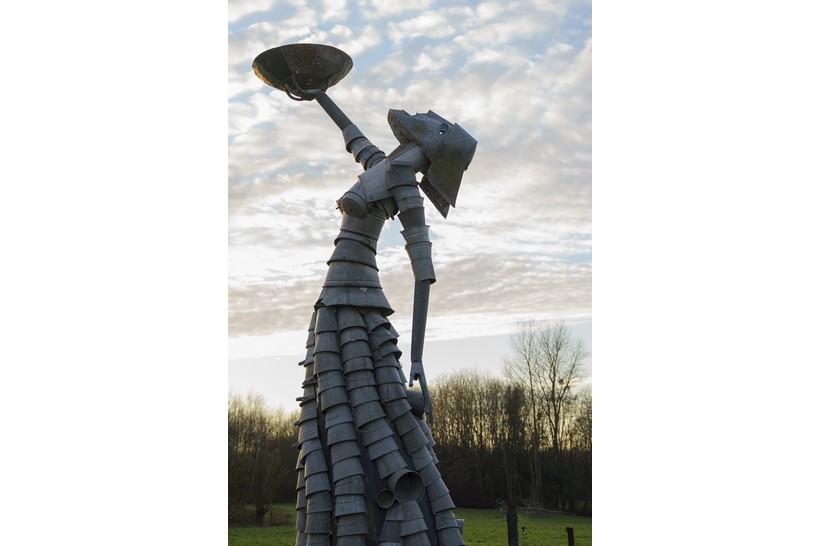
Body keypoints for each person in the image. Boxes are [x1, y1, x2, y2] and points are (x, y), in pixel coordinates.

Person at [293, 106, 477, 546]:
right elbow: (352, 134)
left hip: (360, 301)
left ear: (435, 142)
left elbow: (423, 271)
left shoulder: (405, 187)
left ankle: (390, 515)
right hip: (332, 297)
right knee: (331, 401)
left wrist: (416, 357)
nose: (417, 117)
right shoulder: (381, 164)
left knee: (370, 398)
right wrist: (319, 93)